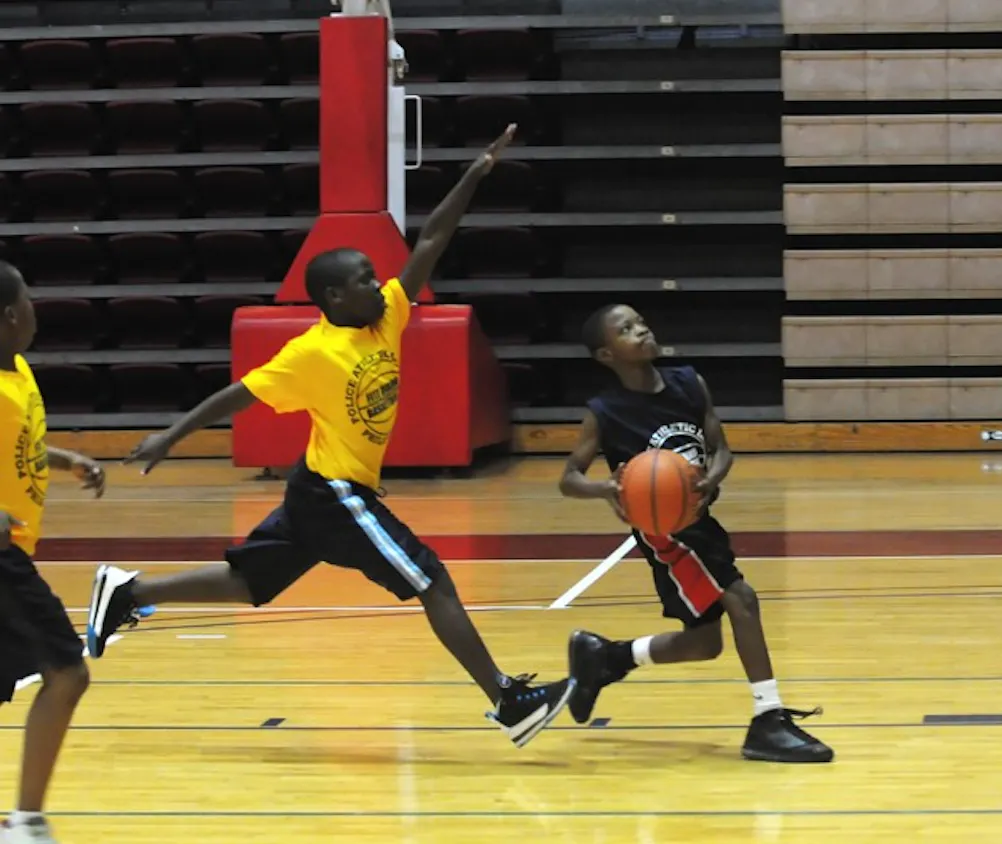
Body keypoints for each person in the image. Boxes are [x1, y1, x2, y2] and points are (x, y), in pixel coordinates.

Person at [84, 127, 576, 748]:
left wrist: (476, 172)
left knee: (249, 583)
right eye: (366, 279)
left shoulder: (387, 317)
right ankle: (509, 701)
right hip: (335, 494)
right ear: (333, 296)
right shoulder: (310, 352)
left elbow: (431, 239)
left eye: (376, 277)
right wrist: (170, 437)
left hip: (316, 490)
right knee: (434, 582)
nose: (381, 285)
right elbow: (237, 393)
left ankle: (129, 591)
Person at [559, 304, 834, 763]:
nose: (641, 329)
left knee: (705, 643)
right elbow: (568, 477)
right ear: (607, 354)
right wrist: (605, 487)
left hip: (700, 520)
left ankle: (607, 658)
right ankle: (768, 719)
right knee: (742, 599)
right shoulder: (605, 412)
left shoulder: (689, 383)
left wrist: (712, 477)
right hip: (666, 531)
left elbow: (721, 449)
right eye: (626, 329)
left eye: (641, 321)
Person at [0, 263, 108, 843]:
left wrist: (64, 460)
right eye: (31, 302)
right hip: (2, 558)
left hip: (13, 551)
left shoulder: (15, 372)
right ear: (12, 315)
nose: (37, 313)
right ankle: (27, 822)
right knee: (67, 672)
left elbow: (20, 443)